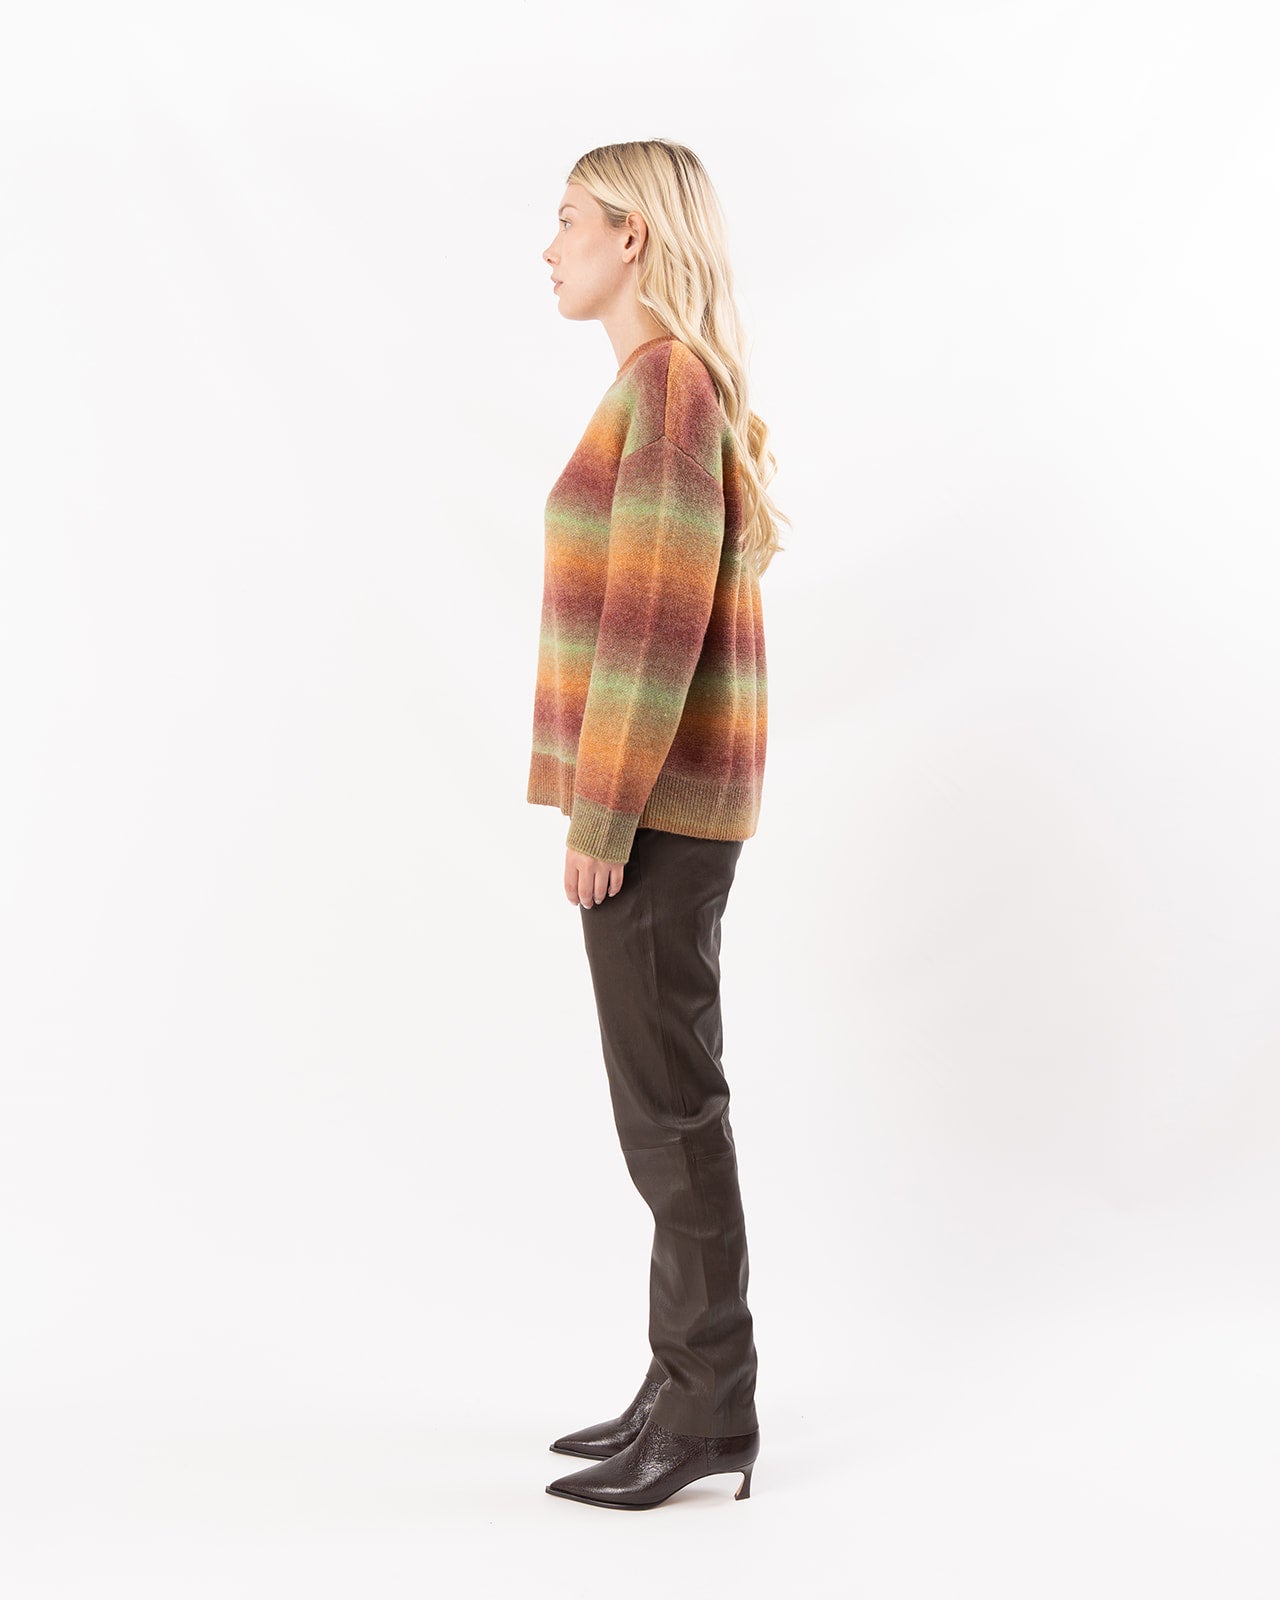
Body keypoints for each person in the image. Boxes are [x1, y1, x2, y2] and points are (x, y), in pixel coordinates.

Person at [526, 139, 787, 1510]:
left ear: (633, 237)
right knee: (664, 1107)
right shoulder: (657, 387)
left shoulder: (669, 387)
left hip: (656, 812)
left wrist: (603, 809)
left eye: (569, 218)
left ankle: (709, 1406)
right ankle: (678, 1382)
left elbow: (652, 621)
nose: (549, 245)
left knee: (671, 1113)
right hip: (662, 807)